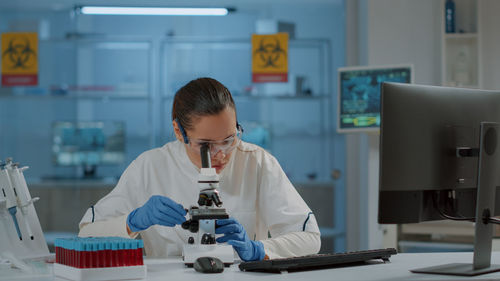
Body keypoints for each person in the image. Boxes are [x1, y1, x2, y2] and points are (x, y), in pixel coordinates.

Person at [79, 77, 321, 261]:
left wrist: (260, 250)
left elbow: (309, 238)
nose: (221, 155)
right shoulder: (149, 167)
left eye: (229, 139)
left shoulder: (256, 162)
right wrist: (132, 222)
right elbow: (86, 236)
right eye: (205, 145)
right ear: (178, 132)